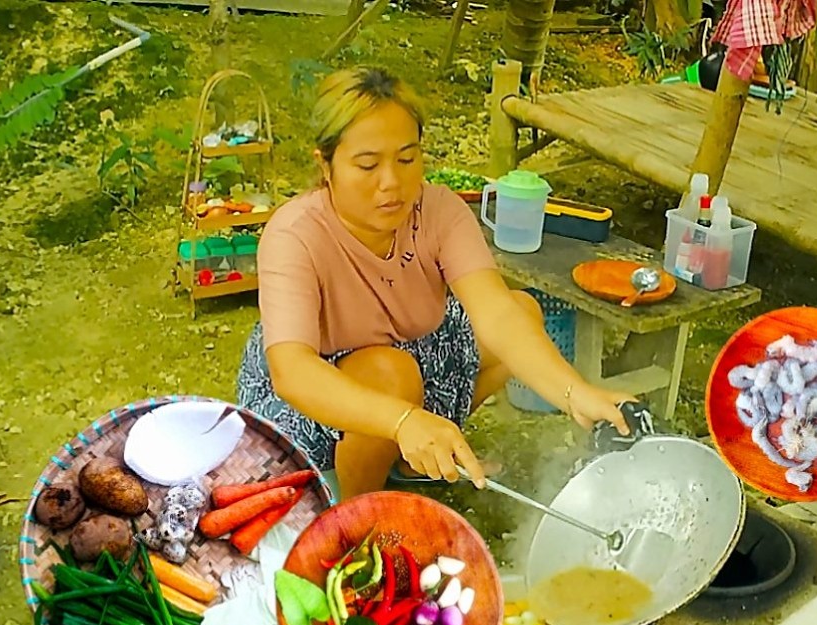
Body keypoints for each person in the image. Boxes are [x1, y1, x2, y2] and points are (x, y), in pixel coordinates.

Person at [236, 66, 635, 500]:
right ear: (326, 165)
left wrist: (575, 392)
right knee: (392, 375)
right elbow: (292, 371)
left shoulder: (439, 211)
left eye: (407, 159)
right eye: (367, 165)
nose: (392, 183)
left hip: (408, 350)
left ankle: (408, 459)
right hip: (317, 389)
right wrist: (403, 419)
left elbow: (496, 314)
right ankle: (354, 513)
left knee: (523, 313)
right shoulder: (295, 234)